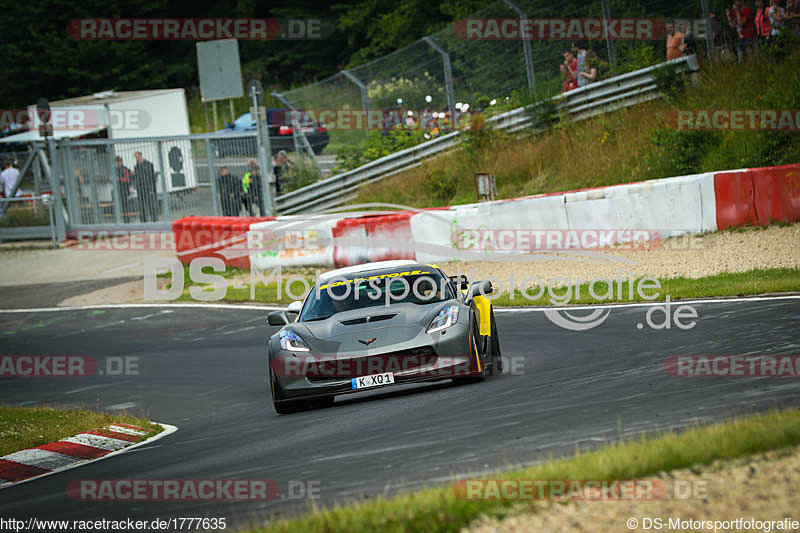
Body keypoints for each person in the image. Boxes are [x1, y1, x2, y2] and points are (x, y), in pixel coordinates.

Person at [133, 151, 158, 222]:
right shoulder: (136, 166)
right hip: (140, 189)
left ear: (141, 156)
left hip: (148, 187)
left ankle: (154, 219)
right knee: (142, 205)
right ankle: (143, 220)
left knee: (151, 204)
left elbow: (152, 177)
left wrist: (151, 189)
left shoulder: (148, 164)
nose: (136, 159)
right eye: (135, 157)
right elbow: (136, 177)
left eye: (137, 157)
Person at [113, 156, 133, 222]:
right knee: (118, 204)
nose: (116, 163)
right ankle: (118, 220)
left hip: (124, 189)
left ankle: (126, 220)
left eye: (117, 162)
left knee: (125, 205)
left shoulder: (125, 169)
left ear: (120, 162)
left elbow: (127, 179)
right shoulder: (115, 170)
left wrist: (119, 179)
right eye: (115, 162)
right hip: (117, 190)